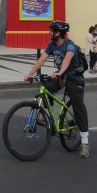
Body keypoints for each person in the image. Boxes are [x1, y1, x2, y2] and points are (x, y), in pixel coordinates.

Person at [24, 20, 90, 158]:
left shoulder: (69, 45)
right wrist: (30, 74)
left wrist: (60, 73)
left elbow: (67, 60)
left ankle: (84, 142)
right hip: (61, 76)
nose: (50, 33)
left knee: (79, 108)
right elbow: (42, 59)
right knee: (46, 88)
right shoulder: (52, 44)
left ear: (58, 33)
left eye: (51, 31)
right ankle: (49, 116)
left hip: (73, 78)